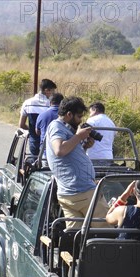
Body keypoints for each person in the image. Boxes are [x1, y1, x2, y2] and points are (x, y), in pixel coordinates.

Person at [45, 96, 108, 229]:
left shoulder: (63, 129)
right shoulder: (57, 126)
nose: (80, 121)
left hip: (68, 193)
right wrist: (79, 136)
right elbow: (59, 150)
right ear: (69, 114)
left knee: (75, 237)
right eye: (79, 117)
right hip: (82, 191)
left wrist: (84, 147)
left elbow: (67, 156)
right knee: (105, 230)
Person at [19, 78, 57, 157]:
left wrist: (32, 131)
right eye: (52, 91)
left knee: (34, 163)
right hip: (50, 143)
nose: (52, 94)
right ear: (47, 90)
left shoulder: (27, 103)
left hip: (34, 142)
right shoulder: (50, 105)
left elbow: (21, 125)